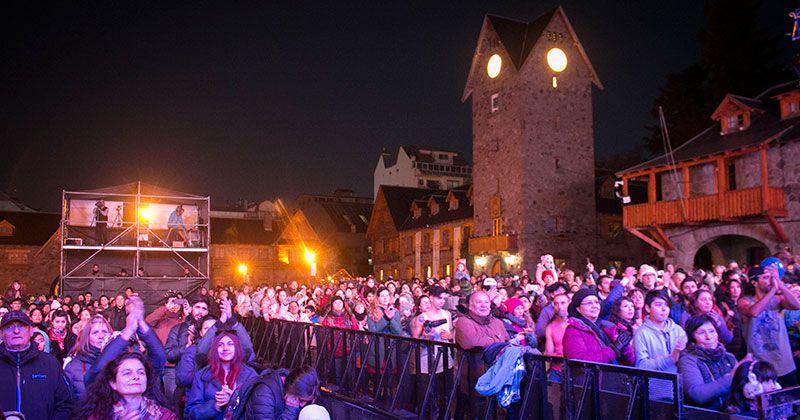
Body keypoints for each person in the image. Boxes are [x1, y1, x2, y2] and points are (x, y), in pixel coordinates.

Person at [0, 311, 72, 419]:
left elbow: (64, 404)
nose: (16, 331)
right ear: (1, 333)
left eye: (21, 326)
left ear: (31, 331)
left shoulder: (49, 363)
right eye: (9, 327)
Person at [738, 265, 800, 387]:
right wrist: (773, 289)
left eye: (771, 277)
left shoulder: (778, 299)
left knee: (791, 402)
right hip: (760, 365)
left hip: (784, 363)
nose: (770, 281)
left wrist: (780, 285)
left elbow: (797, 305)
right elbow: (753, 312)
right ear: (754, 282)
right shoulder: (744, 301)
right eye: (766, 278)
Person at [454, 291, 508, 419]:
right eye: (479, 302)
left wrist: (487, 340)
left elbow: (506, 340)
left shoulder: (497, 323)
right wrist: (495, 341)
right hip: (475, 379)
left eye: (486, 302)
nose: (483, 305)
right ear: (470, 306)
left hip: (497, 376)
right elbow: (471, 341)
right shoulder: (463, 322)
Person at [76, 352, 176, 420]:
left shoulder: (165, 416)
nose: (136, 376)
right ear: (113, 383)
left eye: (141, 372)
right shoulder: (98, 416)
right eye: (127, 373)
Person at [678, 314, 749, 410]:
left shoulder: (729, 357)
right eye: (701, 333)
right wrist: (731, 377)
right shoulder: (688, 360)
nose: (709, 337)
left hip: (734, 413)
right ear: (692, 339)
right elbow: (697, 395)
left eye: (712, 331)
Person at [184, 330, 259, 419]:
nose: (225, 348)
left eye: (230, 344)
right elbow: (191, 412)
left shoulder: (250, 375)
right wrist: (215, 406)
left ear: (237, 347)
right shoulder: (202, 376)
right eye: (220, 345)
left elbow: (258, 409)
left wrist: (234, 400)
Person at [563, 289, 634, 366]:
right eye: (589, 303)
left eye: (597, 302)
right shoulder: (573, 330)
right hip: (592, 377)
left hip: (615, 376)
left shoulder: (608, 327)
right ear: (578, 309)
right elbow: (578, 361)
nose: (594, 306)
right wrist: (613, 350)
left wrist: (625, 347)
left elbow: (630, 361)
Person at [228, 365, 320, 419]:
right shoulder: (264, 395)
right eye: (301, 400)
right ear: (292, 391)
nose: (302, 405)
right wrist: (290, 410)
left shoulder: (293, 388)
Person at [64, 314, 113, 400]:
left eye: (104, 332)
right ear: (87, 337)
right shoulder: (73, 367)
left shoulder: (119, 361)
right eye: (95, 332)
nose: (101, 336)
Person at [544, 293, 570, 382]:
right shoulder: (550, 327)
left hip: (575, 369)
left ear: (569, 304)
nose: (559, 306)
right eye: (556, 303)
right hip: (557, 370)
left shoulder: (576, 323)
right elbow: (549, 353)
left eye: (563, 303)